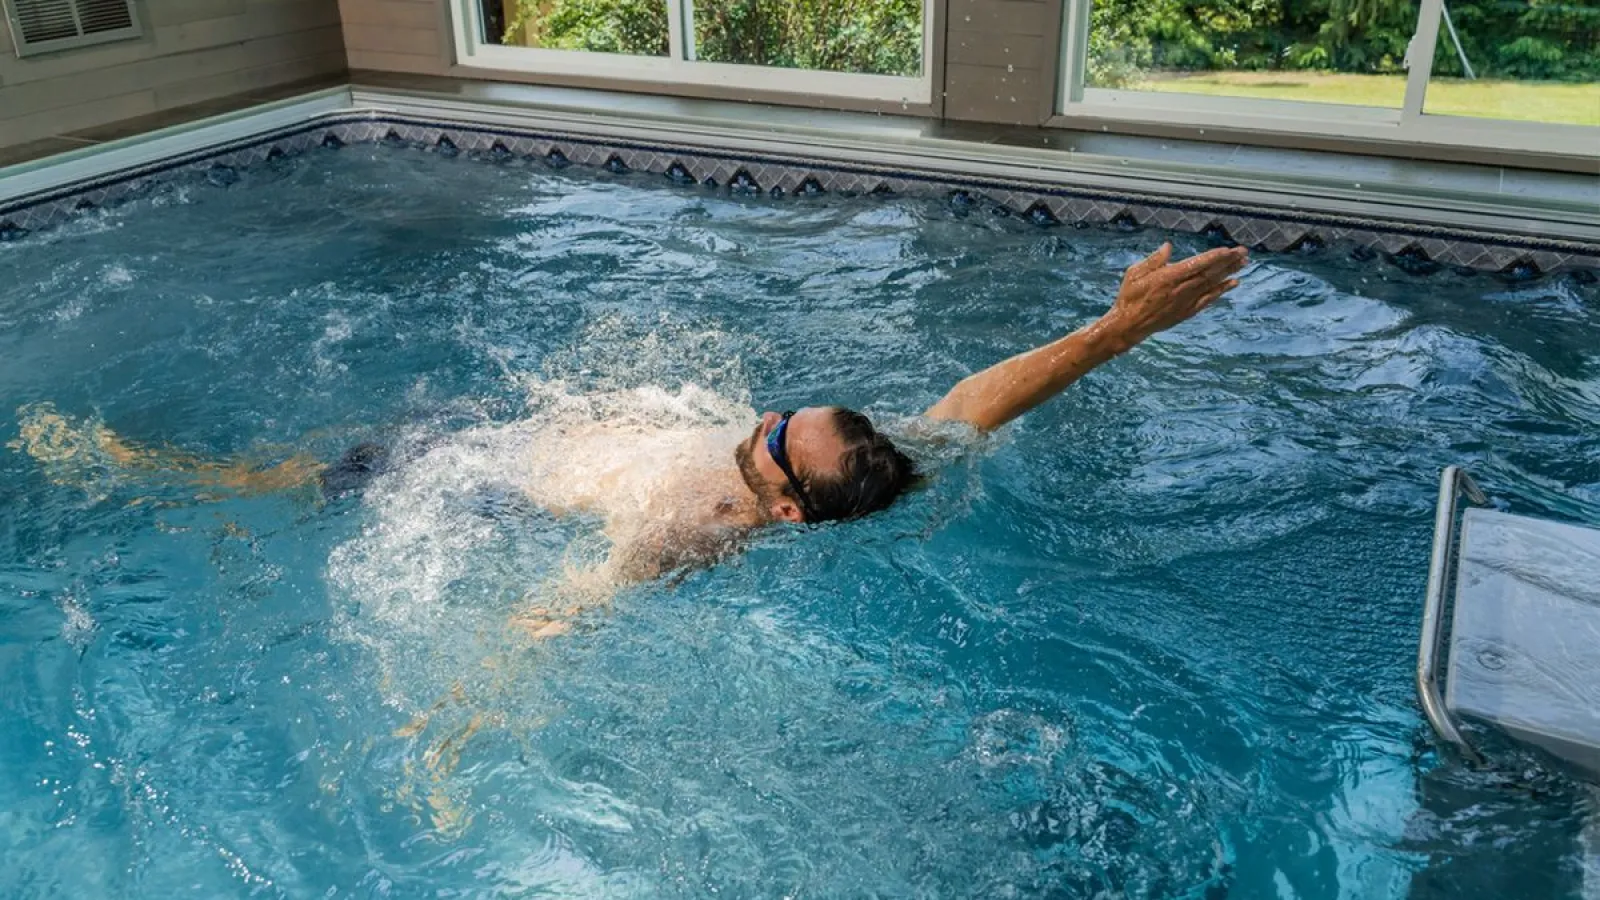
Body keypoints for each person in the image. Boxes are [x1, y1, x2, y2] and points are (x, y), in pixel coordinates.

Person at [14, 242, 1248, 634]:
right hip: (502, 438)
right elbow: (973, 405)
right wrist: (1111, 329)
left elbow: (563, 607)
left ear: (776, 507)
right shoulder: (873, 467)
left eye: (768, 437)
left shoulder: (697, 527)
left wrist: (457, 717)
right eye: (782, 410)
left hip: (469, 487)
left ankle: (147, 480)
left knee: (285, 482)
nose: (761, 421)